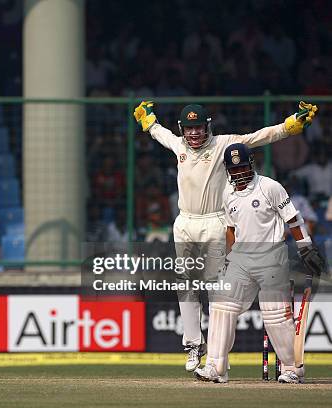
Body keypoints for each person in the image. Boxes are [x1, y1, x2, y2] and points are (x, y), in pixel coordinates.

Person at [133, 100, 318, 372]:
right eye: (189, 129)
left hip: (215, 221)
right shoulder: (180, 146)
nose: (194, 134)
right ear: (183, 130)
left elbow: (258, 137)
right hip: (184, 221)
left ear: (208, 126)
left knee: (216, 288)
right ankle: (194, 344)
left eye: (198, 128)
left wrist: (288, 127)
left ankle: (219, 362)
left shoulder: (223, 144)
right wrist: (150, 124)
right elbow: (163, 135)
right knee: (184, 284)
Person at [195, 143, 326, 383]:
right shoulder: (228, 193)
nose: (239, 173)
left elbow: (293, 220)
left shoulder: (270, 187)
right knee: (221, 306)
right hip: (241, 258)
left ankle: (291, 369)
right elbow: (231, 229)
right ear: (227, 170)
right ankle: (216, 366)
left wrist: (306, 248)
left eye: (243, 168)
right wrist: (229, 257)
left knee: (275, 315)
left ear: (251, 164)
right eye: (234, 170)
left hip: (271, 256)